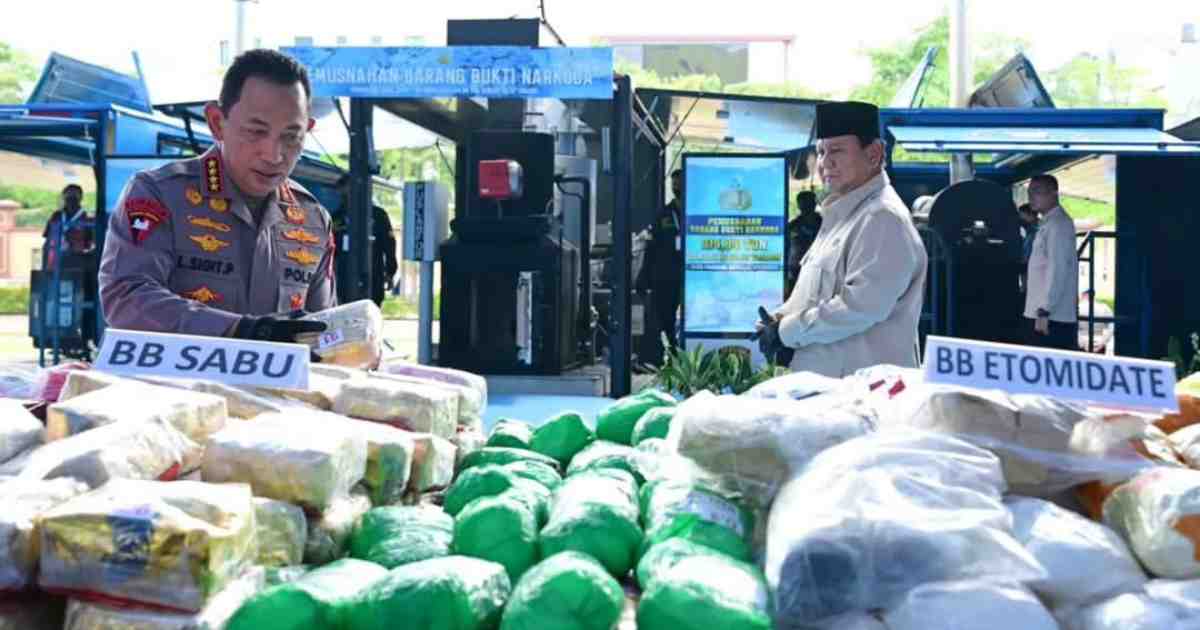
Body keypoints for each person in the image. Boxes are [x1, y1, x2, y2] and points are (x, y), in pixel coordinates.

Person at [98, 49, 334, 344]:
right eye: (256, 131)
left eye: (291, 136)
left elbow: (323, 327)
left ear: (307, 130)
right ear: (216, 123)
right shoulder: (160, 195)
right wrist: (240, 330)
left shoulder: (313, 219)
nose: (274, 155)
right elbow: (126, 296)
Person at [754, 101, 928, 377]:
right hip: (830, 388)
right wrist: (778, 319)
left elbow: (860, 307)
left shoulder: (882, 218)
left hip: (865, 393)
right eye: (821, 152)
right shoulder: (842, 216)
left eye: (836, 150)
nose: (825, 163)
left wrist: (787, 331)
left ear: (874, 154)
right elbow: (813, 296)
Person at [1023, 174, 1078, 350]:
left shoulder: (1058, 225)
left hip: (1051, 317)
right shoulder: (1048, 223)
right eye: (1029, 192)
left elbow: (1058, 268)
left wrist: (1045, 309)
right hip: (1043, 313)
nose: (1031, 197)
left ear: (1054, 193)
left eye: (1037, 192)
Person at [333, 176, 398, 307]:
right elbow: (331, 250)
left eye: (349, 193)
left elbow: (389, 245)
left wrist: (390, 272)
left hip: (373, 277)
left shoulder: (378, 215)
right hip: (345, 279)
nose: (346, 197)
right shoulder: (337, 218)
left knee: (370, 312)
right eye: (343, 194)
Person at [643, 168, 684, 353]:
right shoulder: (664, 214)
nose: (677, 187)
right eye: (674, 184)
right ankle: (672, 352)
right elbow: (651, 247)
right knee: (666, 315)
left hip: (692, 273)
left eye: (680, 183)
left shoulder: (696, 211)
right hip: (667, 275)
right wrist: (645, 274)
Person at [42, 184, 94, 271]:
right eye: (67, 196)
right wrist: (45, 267)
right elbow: (47, 241)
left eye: (74, 196)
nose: (70, 200)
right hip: (55, 262)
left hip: (76, 263)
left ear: (80, 198)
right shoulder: (56, 216)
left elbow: (90, 245)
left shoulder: (87, 219)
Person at [785, 190, 822, 298]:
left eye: (809, 203)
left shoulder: (824, 223)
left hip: (818, 269)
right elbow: (786, 248)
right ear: (799, 205)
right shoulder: (793, 226)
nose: (806, 206)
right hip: (796, 270)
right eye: (803, 203)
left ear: (814, 203)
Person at [1017, 202, 1039, 293]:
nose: (1020, 218)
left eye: (1022, 215)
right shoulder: (1031, 228)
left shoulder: (1036, 230)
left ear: (1030, 215)